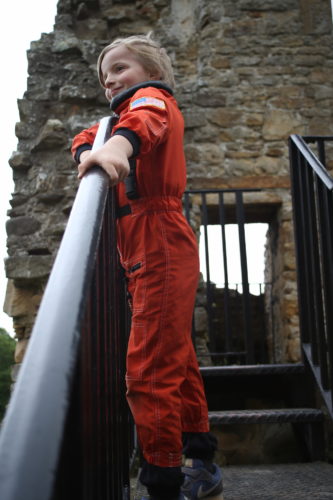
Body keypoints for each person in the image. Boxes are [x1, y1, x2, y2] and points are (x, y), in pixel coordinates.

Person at [72, 33, 223, 500]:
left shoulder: (152, 100)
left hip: (157, 237)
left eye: (120, 68)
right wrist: (89, 151)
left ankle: (162, 482)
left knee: (148, 370)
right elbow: (84, 136)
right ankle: (202, 460)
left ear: (151, 69)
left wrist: (115, 152)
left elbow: (144, 123)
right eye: (104, 76)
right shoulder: (115, 119)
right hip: (141, 246)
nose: (110, 79)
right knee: (175, 355)